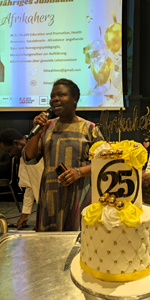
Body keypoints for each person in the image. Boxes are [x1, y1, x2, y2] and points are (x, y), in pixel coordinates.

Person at [23, 78, 104, 232]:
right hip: (50, 199)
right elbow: (29, 158)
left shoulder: (90, 128)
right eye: (52, 96)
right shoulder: (47, 127)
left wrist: (79, 172)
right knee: (49, 247)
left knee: (78, 245)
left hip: (80, 197)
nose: (55, 99)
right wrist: (36, 133)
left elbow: (103, 163)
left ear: (75, 99)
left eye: (61, 95)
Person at [0, 128, 44, 229]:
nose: (10, 155)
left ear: (16, 143)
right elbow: (29, 187)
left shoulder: (42, 145)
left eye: (9, 151)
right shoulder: (23, 158)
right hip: (44, 210)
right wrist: (24, 215)